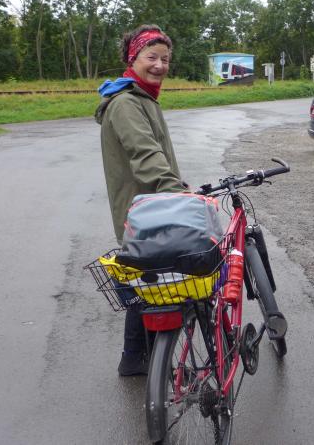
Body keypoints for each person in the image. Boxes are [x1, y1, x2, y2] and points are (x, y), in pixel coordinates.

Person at [94, 24, 189, 375]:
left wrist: (176, 185)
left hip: (149, 205)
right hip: (143, 209)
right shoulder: (126, 103)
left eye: (165, 59)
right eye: (152, 57)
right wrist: (177, 193)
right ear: (133, 58)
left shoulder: (143, 98)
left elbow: (154, 154)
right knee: (156, 287)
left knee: (146, 284)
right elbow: (145, 154)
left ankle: (135, 358)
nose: (160, 65)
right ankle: (149, 362)